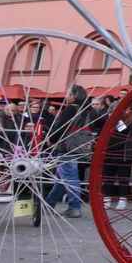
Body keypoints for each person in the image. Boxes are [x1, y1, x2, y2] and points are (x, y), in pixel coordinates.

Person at [46, 84, 92, 218]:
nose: (66, 96)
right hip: (79, 145)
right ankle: (49, 203)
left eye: (68, 94)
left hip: (66, 146)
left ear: (74, 95)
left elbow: (62, 127)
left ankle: (74, 207)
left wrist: (52, 139)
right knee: (62, 177)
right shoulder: (86, 109)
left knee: (69, 177)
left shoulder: (71, 109)